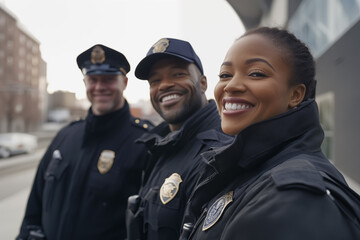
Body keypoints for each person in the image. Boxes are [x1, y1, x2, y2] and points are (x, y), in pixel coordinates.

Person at [180, 27, 360, 240]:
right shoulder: (245, 167)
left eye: (256, 73)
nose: (231, 86)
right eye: (225, 75)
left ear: (295, 95)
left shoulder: (295, 199)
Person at [16, 44, 152, 240]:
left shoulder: (144, 142)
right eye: (93, 80)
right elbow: (34, 206)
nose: (99, 87)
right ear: (84, 82)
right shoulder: (65, 136)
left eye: (108, 79)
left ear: (125, 82)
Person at [125, 38, 233, 240]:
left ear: (202, 83)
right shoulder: (161, 145)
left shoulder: (219, 152)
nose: (165, 85)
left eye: (178, 74)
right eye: (155, 80)